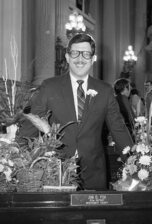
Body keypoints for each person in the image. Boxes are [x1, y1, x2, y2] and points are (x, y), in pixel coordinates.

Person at [17, 33, 133, 190]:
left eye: (86, 54)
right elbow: (31, 124)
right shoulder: (49, 87)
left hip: (94, 173)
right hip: (55, 173)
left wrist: (135, 163)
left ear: (93, 59)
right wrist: (17, 158)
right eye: (75, 53)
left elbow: (118, 128)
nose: (80, 59)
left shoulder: (105, 90)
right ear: (67, 56)